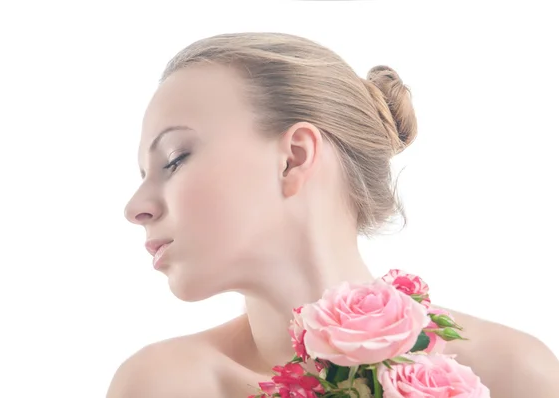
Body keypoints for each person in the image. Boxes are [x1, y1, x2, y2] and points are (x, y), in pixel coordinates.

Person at [107, 32, 559, 397]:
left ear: (294, 157)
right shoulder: (164, 386)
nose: (135, 207)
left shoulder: (514, 375)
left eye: (174, 158)